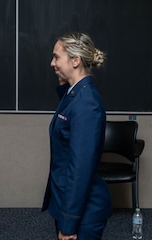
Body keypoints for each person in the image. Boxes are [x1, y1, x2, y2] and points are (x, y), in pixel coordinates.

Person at [42, 32, 112, 240]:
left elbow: (80, 167)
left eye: (56, 57)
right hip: (67, 201)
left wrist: (69, 224)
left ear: (75, 60)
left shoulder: (86, 103)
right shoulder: (74, 93)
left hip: (83, 211)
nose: (52, 63)